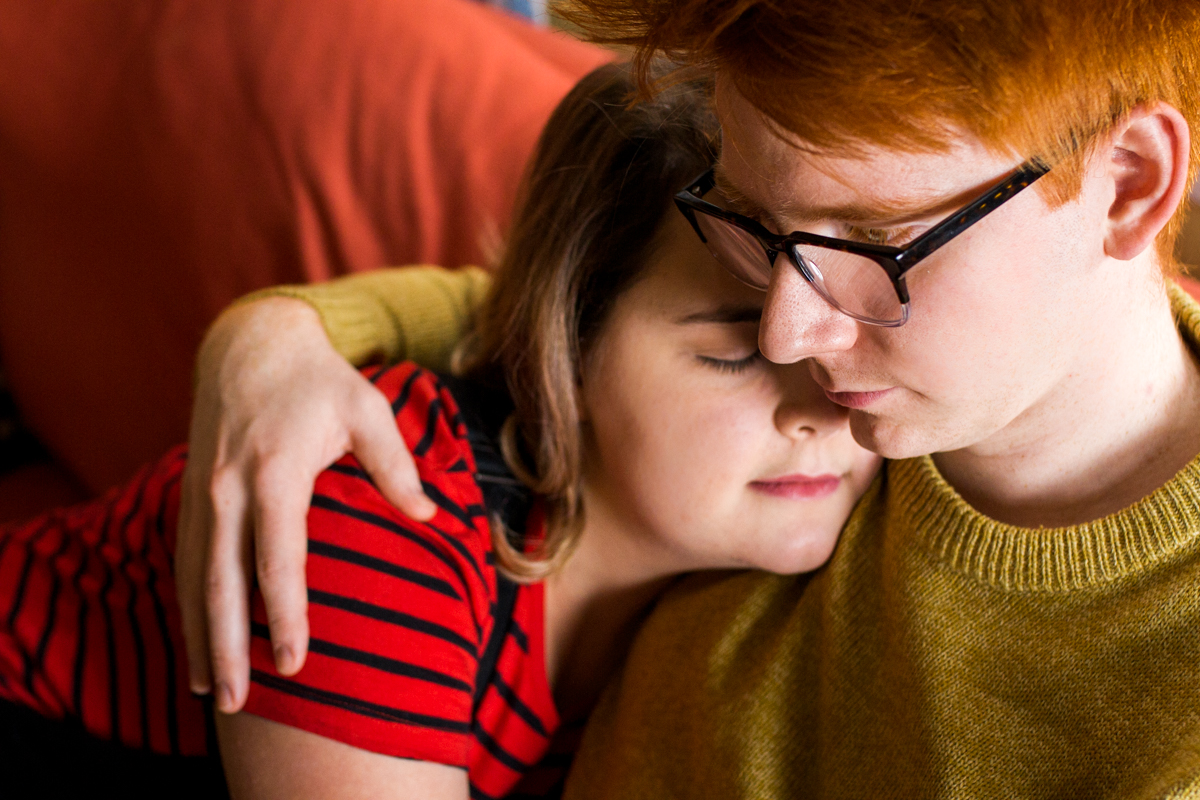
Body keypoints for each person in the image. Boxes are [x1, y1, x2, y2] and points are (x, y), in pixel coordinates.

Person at [173, 0, 1200, 796]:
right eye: (756, 229)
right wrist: (274, 332)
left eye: (870, 246)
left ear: (1129, 184)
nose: (787, 335)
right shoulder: (870, 367)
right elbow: (545, 303)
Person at [0, 62, 880, 798]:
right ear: (566, 340)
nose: (820, 409)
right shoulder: (387, 505)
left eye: (841, 337)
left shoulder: (719, 595)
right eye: (737, 348)